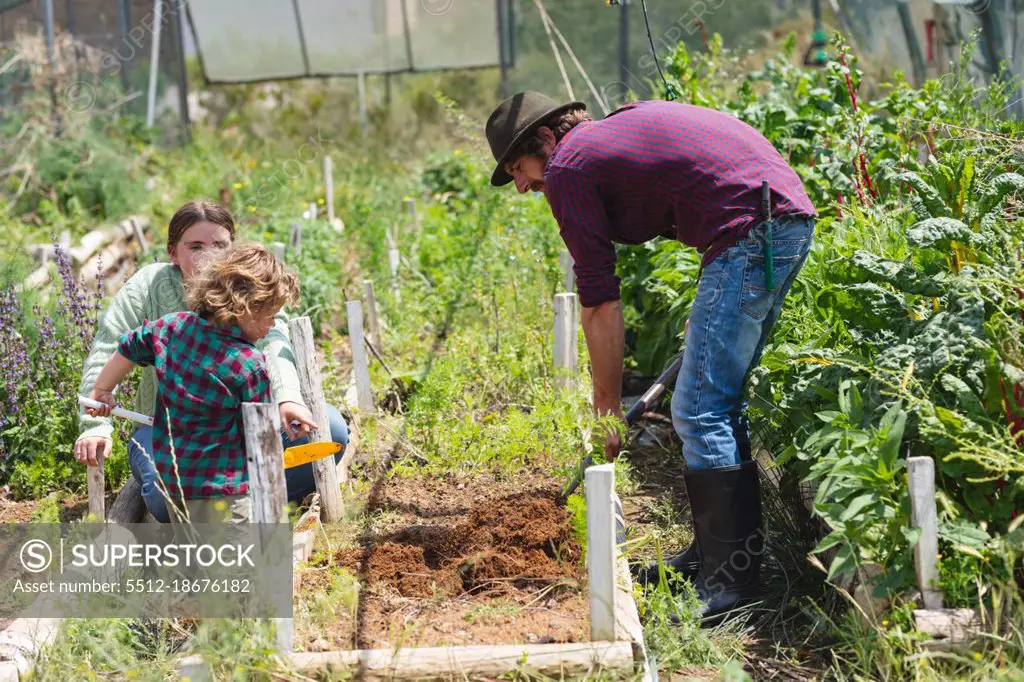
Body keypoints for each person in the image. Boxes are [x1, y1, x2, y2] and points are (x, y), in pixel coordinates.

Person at [484, 92, 817, 622]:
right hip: (780, 218)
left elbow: (600, 300)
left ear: (545, 140)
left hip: (752, 229)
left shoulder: (568, 165)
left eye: (518, 169)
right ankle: (715, 561)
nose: (521, 186)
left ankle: (731, 587)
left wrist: (607, 407)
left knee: (700, 406)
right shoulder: (608, 134)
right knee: (719, 400)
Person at [74, 200, 350, 522]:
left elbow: (276, 341)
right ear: (173, 252)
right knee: (165, 499)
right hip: (162, 427)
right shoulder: (150, 286)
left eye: (220, 245)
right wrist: (95, 424)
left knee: (329, 432)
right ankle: (228, 502)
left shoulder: (250, 286)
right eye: (195, 246)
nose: (210, 257)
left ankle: (244, 499)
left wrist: (287, 398)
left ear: (232, 248)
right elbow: (112, 347)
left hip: (236, 427)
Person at [83, 242, 300, 524]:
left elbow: (129, 346)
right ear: (244, 307)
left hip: (176, 483)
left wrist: (102, 389)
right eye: (270, 315)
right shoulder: (248, 365)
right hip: (226, 491)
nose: (272, 325)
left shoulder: (171, 328)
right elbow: (259, 438)